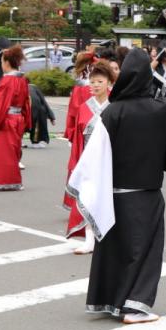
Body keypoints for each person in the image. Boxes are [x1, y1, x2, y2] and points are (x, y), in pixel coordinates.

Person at [67, 47, 166, 323]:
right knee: (144, 250)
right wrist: (162, 79)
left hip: (112, 194)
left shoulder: (112, 113)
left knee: (115, 250)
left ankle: (110, 301)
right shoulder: (159, 109)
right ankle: (135, 306)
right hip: (144, 193)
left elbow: (93, 155)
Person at [64, 60, 115, 253]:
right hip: (88, 161)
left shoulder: (115, 106)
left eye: (99, 81)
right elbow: (78, 139)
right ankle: (89, 238)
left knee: (109, 199)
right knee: (88, 197)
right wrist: (76, 163)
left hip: (109, 161)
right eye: (92, 81)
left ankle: (108, 238)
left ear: (109, 83)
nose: (94, 85)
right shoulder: (84, 107)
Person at [0, 45, 31, 191]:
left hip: (6, 119)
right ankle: (12, 180)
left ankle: (1, 180)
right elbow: (27, 102)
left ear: (7, 63)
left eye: (2, 61)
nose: (1, 65)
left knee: (1, 152)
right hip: (17, 118)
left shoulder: (7, 80)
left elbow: (0, 103)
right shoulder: (22, 79)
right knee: (12, 152)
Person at [27, 82, 54, 148]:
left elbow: (43, 101)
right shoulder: (32, 86)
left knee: (36, 125)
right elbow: (44, 101)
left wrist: (51, 116)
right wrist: (51, 117)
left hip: (37, 110)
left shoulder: (33, 87)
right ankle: (34, 142)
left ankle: (36, 141)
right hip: (26, 110)